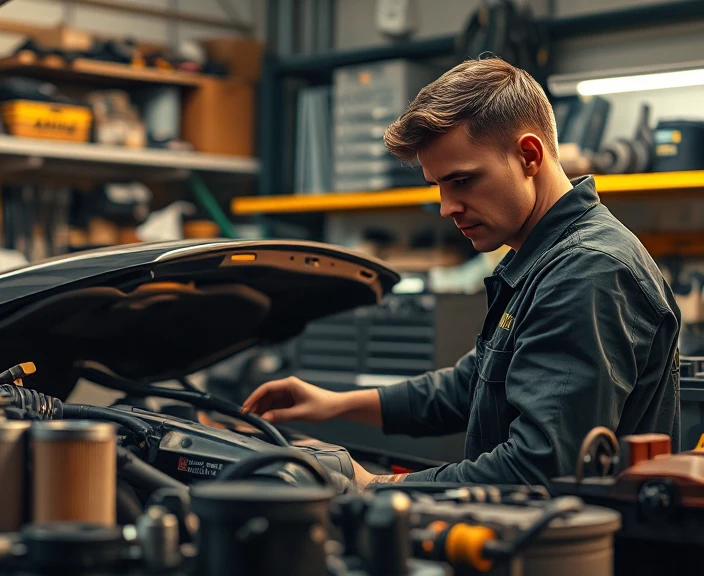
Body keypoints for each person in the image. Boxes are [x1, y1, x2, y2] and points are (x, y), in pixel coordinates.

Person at [242, 56, 681, 490]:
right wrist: (334, 405)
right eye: (438, 186)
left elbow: (538, 468)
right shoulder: (540, 259)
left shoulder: (587, 270)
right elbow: (471, 384)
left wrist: (375, 487)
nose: (446, 207)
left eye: (462, 181)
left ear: (529, 155)